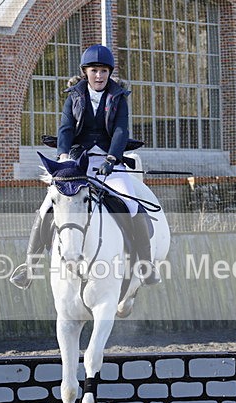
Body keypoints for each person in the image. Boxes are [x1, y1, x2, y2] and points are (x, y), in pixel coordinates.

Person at [10, 44, 160, 289]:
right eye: (94, 71)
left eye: (103, 71)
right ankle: (29, 266)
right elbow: (66, 129)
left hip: (109, 162)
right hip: (78, 162)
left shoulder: (119, 97)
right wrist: (63, 158)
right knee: (47, 204)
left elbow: (121, 130)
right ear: (85, 72)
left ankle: (145, 264)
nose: (99, 76)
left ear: (109, 73)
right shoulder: (74, 96)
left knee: (131, 202)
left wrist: (112, 158)